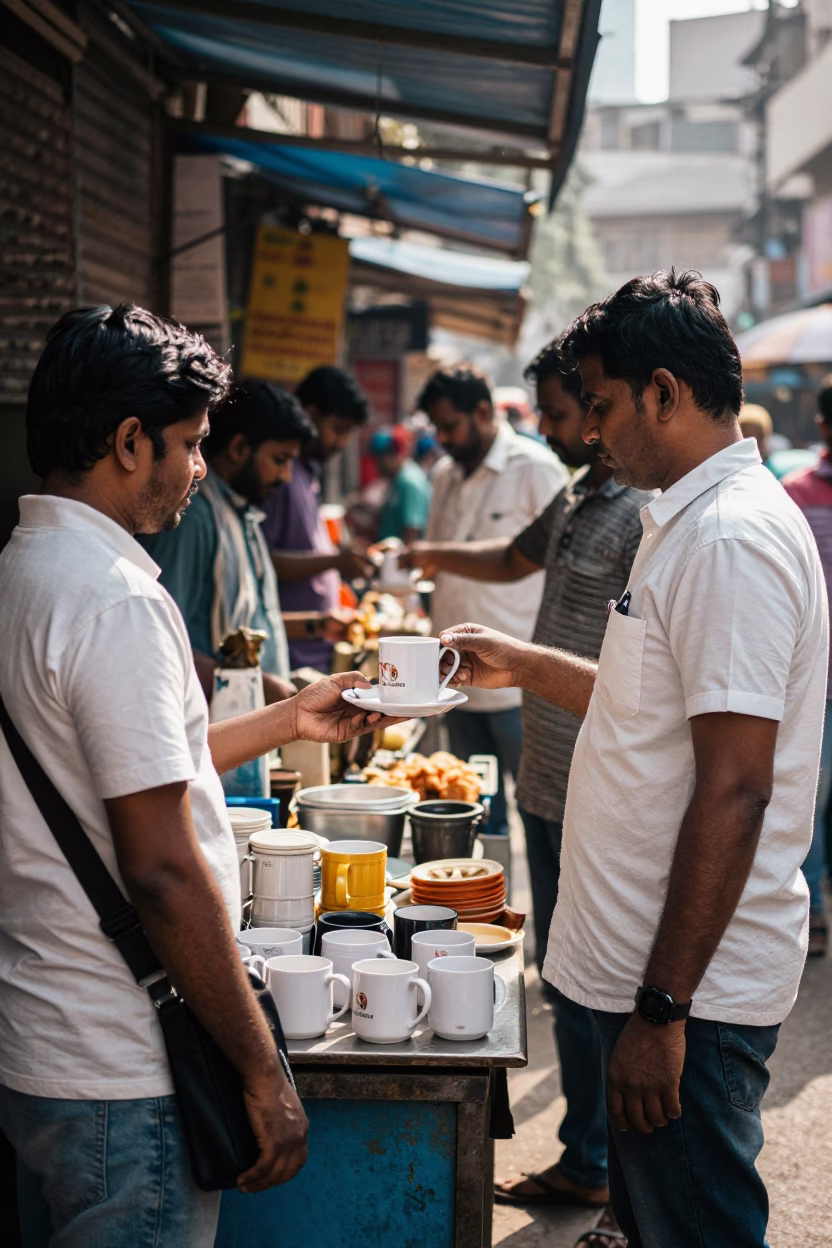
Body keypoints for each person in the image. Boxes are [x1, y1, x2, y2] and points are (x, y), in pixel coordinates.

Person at [439, 271, 827, 1248]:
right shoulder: (683, 520)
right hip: (647, 979)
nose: (589, 432)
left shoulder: (730, 539)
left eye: (603, 406)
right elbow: (650, 707)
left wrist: (662, 1010)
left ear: (663, 391)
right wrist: (524, 661)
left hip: (685, 995)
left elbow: (734, 791)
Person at [0, 304, 399, 1247]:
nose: (197, 470)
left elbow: (128, 777)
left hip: (43, 1041)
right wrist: (264, 1072)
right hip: (124, 1067)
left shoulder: (26, 568)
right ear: (130, 442)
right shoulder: (114, 598)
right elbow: (162, 868)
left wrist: (289, 717)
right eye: (188, 444)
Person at [403, 341, 651, 1230]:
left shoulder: (648, 511)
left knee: (603, 990)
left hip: (602, 771)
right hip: (546, 776)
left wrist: (519, 665)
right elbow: (512, 559)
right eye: (557, 410)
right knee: (568, 979)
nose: (566, 427)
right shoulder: (582, 492)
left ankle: (616, 1177)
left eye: (574, 408)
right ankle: (587, 1161)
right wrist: (430, 555)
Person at [409, 366, 567, 836]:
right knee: (472, 816)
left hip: (517, 685)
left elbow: (548, 563)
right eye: (436, 428)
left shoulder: (535, 468)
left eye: (449, 426)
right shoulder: (442, 474)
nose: (442, 438)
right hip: (453, 681)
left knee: (538, 815)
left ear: (482, 411)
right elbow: (439, 562)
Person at [142, 381, 343, 706]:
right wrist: (253, 684)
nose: (286, 477)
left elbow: (247, 625)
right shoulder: (193, 519)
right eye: (279, 459)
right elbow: (160, 643)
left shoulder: (240, 513)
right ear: (238, 449)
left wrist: (316, 626)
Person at [261, 366, 376, 670]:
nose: (340, 443)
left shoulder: (307, 472)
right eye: (337, 429)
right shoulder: (278, 477)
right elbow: (264, 561)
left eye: (346, 434)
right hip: (290, 656)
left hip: (318, 651)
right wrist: (336, 562)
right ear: (310, 413)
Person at [782, 372, 832, 957]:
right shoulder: (793, 494)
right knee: (812, 796)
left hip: (819, 674)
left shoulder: (796, 493)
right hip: (820, 678)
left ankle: (816, 910)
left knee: (812, 796)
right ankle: (814, 908)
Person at [370, 426, 432, 544]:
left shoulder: (410, 482)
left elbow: (412, 532)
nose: (377, 465)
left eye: (380, 459)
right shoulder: (397, 478)